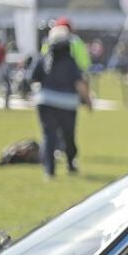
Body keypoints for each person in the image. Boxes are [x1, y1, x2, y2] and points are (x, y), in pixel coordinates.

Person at [30, 27, 91, 178]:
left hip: (45, 102)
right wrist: (88, 101)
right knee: (68, 136)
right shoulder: (70, 62)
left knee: (48, 136)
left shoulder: (43, 59)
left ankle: (49, 170)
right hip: (67, 104)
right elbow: (80, 83)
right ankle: (70, 164)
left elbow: (32, 78)